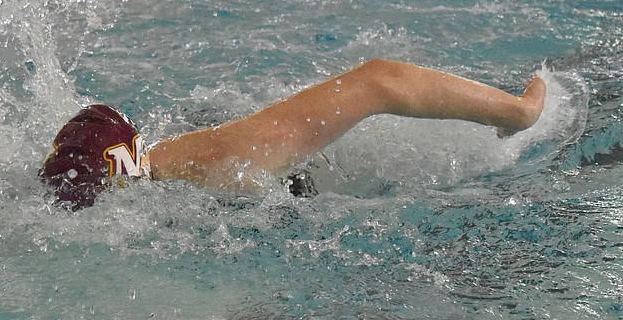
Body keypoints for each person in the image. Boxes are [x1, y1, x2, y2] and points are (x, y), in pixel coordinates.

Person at [39, 58, 547, 209]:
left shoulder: (134, 195)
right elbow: (382, 81)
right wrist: (519, 111)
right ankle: (520, 112)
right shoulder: (223, 155)